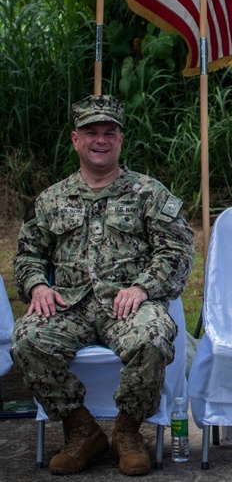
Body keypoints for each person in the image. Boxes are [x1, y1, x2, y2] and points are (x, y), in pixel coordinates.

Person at [11, 95, 194, 476]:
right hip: (69, 306)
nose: (100, 140)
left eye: (109, 132)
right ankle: (82, 431)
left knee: (153, 335)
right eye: (91, 132)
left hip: (126, 306)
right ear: (76, 140)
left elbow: (177, 251)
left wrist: (143, 287)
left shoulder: (148, 193)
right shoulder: (52, 200)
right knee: (27, 338)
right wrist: (37, 287)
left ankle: (128, 431)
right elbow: (28, 254)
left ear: (120, 140)